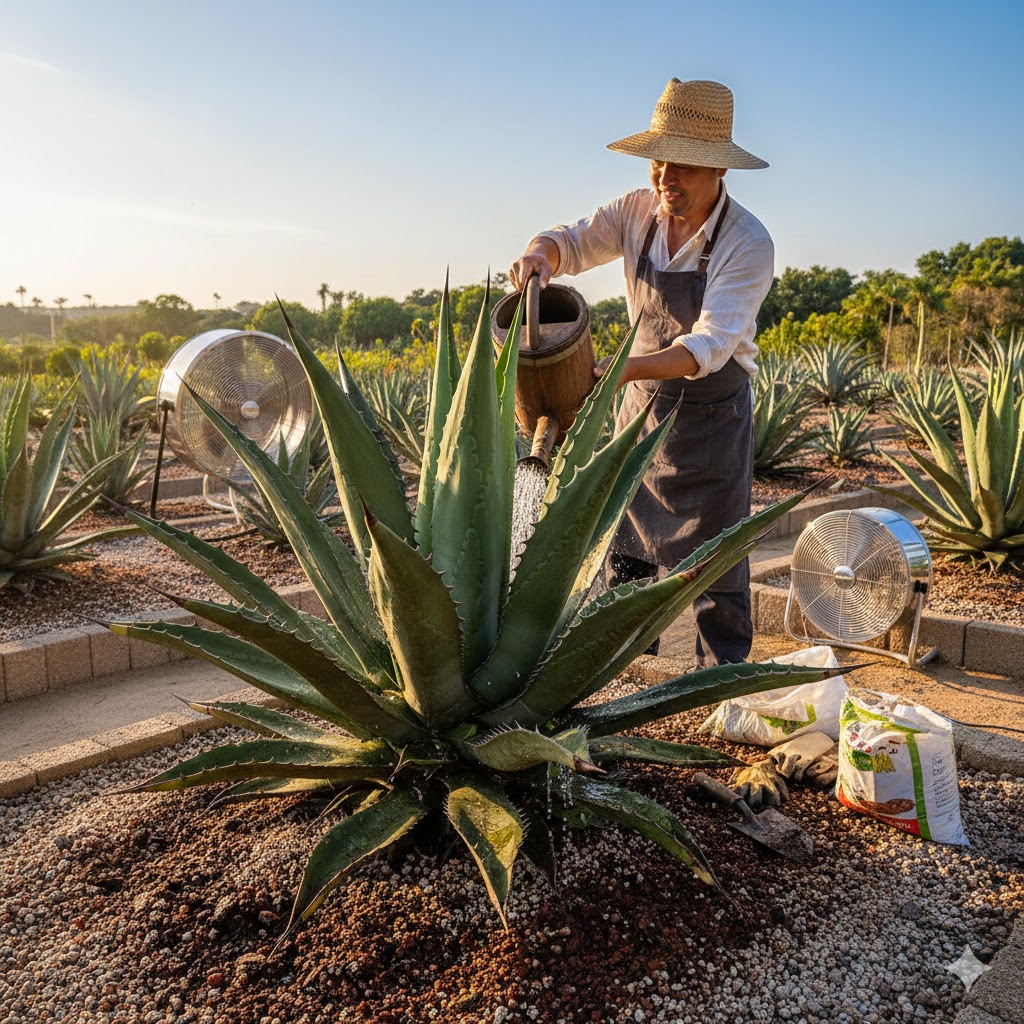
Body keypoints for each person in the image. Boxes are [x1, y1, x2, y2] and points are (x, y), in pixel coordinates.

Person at [509, 78, 774, 668]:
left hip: (711, 420)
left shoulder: (747, 243)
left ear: (719, 169)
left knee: (717, 567)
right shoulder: (636, 212)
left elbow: (709, 345)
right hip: (641, 413)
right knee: (625, 552)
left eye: (684, 167)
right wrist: (539, 253)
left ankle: (719, 686)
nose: (665, 179)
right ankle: (620, 675)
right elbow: (571, 241)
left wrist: (623, 369)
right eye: (658, 163)